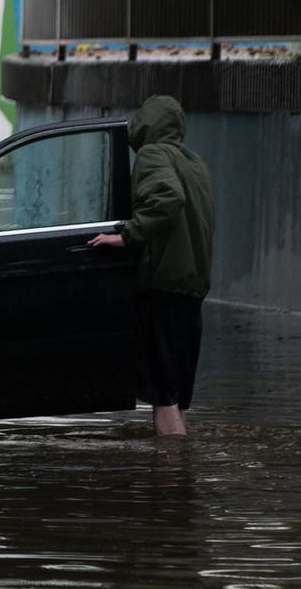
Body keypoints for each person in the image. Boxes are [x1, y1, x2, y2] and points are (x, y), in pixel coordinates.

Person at [87, 96, 215, 438]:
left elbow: (167, 198)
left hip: (164, 290)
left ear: (146, 123)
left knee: (163, 396)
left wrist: (127, 236)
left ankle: (168, 484)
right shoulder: (194, 163)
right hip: (192, 293)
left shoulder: (152, 155)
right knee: (177, 399)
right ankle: (180, 480)